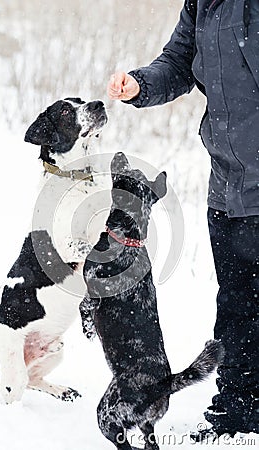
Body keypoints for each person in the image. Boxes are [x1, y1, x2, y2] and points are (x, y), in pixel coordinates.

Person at [107, 0, 259, 441]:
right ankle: (239, 409)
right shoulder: (204, 4)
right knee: (236, 304)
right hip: (229, 184)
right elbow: (179, 62)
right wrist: (139, 83)